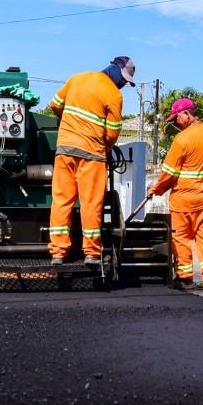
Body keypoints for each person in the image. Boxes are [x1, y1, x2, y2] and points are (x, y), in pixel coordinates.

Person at [47, 56, 133, 265]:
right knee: (91, 203)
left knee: (61, 201)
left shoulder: (77, 78)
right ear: (114, 69)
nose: (123, 84)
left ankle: (58, 252)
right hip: (92, 155)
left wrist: (69, 124)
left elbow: (55, 104)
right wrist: (104, 146)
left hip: (65, 150)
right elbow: (112, 134)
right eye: (123, 79)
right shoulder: (113, 95)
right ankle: (92, 253)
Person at [148, 98, 203, 291]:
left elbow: (169, 172)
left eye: (176, 117)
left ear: (187, 113)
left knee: (181, 237)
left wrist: (157, 189)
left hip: (185, 198)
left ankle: (184, 278)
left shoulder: (182, 139)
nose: (175, 122)